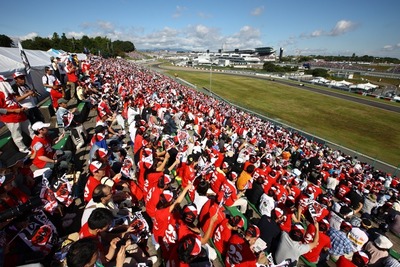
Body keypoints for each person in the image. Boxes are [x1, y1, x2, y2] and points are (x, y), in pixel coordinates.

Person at [0, 77, 34, 154]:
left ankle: (38, 142)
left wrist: (21, 108)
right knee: (17, 135)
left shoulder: (9, 92)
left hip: (21, 115)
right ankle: (23, 150)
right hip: (10, 118)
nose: (8, 83)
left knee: (30, 129)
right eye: (6, 82)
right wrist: (14, 110)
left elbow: (13, 102)